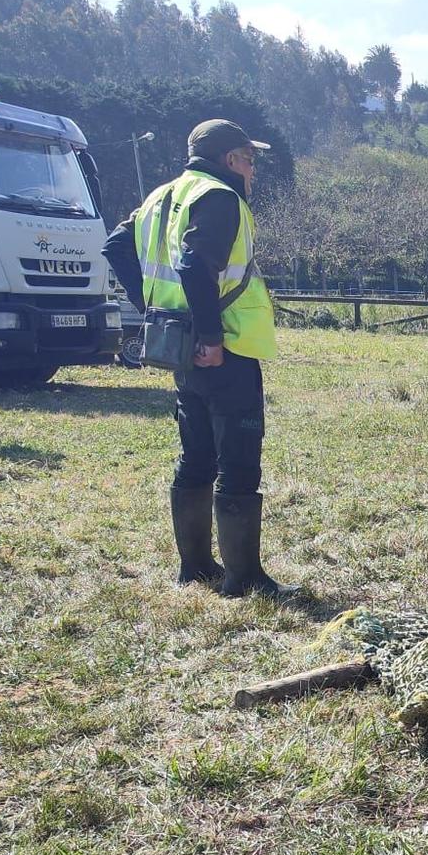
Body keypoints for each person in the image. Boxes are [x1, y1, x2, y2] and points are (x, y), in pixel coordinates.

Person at [103, 119, 294, 597]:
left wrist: (155, 309)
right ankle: (244, 577)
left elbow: (115, 247)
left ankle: (196, 568)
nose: (252, 169)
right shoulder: (219, 197)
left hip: (179, 346)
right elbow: (193, 263)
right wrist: (209, 334)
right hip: (224, 346)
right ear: (230, 159)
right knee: (239, 459)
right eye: (249, 159)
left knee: (196, 455)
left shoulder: (162, 198)